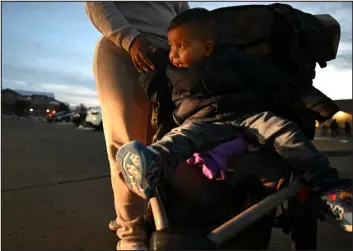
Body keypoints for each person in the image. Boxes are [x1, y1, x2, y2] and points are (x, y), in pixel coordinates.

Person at [116, 8, 352, 232]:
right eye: (171, 46)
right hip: (201, 122)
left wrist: (316, 104)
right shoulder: (170, 71)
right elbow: (159, 94)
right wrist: (149, 73)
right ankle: (150, 163)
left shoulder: (232, 59)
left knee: (285, 131)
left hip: (246, 115)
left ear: (208, 48)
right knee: (179, 138)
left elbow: (274, 81)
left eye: (182, 46)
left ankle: (330, 191)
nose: (174, 53)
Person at [84, 2, 189, 250]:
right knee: (127, 145)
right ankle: (130, 234)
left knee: (163, 146)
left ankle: (142, 219)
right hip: (124, 50)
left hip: (172, 57)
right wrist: (129, 38)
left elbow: (184, 16)